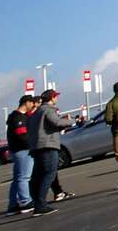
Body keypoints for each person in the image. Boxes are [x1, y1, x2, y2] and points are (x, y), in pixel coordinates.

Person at [27, 89, 71, 217]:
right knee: (49, 174)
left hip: (36, 147)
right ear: (52, 98)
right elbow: (56, 122)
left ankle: (37, 203)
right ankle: (41, 205)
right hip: (48, 146)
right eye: (56, 96)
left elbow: (47, 126)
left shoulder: (36, 112)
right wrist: (71, 121)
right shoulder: (48, 109)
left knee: (37, 177)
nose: (57, 98)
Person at [5, 95, 36, 215]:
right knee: (24, 177)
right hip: (23, 150)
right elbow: (22, 135)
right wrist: (32, 145)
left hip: (17, 150)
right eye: (32, 103)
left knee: (17, 178)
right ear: (26, 102)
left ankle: (13, 205)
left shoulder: (15, 116)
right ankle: (25, 201)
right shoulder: (19, 117)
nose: (33, 106)